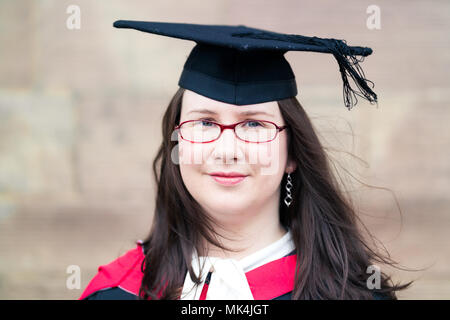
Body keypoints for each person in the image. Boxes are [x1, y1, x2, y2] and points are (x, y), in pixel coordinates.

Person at [79, 21, 412, 300]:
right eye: (204, 122)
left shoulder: (354, 294)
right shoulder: (117, 292)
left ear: (292, 153)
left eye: (254, 124)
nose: (227, 150)